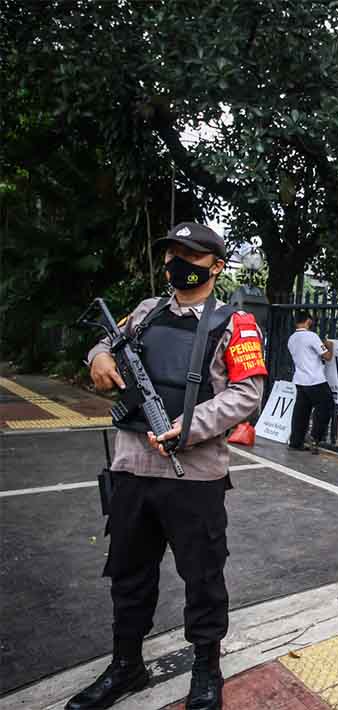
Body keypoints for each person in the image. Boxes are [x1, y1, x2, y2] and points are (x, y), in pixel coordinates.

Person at [71, 223, 267, 710]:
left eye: (190, 254)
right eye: (172, 253)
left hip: (194, 477)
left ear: (216, 266)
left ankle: (206, 668)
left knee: (203, 578)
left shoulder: (236, 324)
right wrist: (96, 358)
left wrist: (191, 425)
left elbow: (247, 394)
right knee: (129, 575)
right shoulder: (144, 312)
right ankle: (126, 665)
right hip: (132, 466)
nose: (177, 261)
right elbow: (104, 345)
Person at [286, 310, 333, 451]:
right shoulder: (311, 336)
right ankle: (315, 437)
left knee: (301, 411)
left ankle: (296, 441)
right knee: (326, 405)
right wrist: (329, 345)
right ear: (308, 321)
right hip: (315, 379)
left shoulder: (292, 339)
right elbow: (328, 356)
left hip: (300, 380)